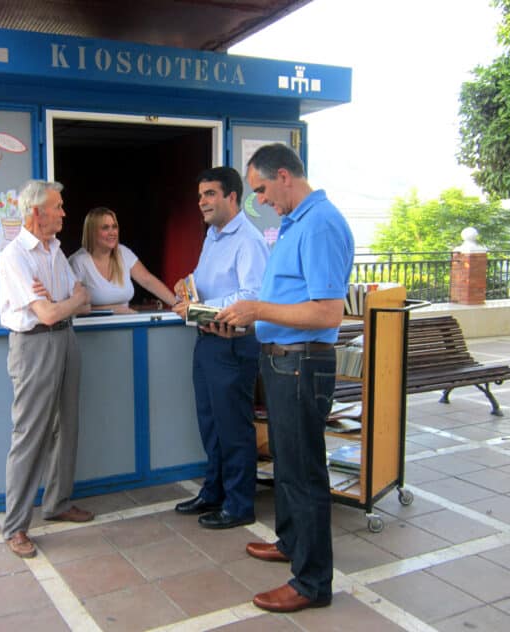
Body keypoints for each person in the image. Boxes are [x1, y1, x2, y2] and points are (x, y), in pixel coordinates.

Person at [215, 143, 354, 613]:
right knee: (288, 467)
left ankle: (312, 582)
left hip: (301, 362)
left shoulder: (321, 223)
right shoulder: (295, 222)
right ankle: (292, 543)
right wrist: (248, 318)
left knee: (303, 472)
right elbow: (290, 298)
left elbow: (325, 311)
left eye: (261, 190)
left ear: (283, 175)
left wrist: (256, 309)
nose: (260, 201)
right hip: (281, 359)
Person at [0, 179, 95, 559]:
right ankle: (15, 527)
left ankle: (57, 503)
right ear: (36, 212)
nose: (63, 213)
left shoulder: (55, 250)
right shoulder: (14, 256)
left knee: (66, 425)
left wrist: (63, 302)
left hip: (65, 339)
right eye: (57, 206)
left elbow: (82, 300)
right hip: (34, 344)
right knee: (30, 435)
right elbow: (52, 310)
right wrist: (63, 302)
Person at [171, 166, 270, 529]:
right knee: (210, 423)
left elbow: (252, 296)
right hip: (207, 340)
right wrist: (188, 288)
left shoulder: (249, 239)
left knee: (233, 427)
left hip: (233, 345)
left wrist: (199, 309)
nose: (202, 203)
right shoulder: (212, 236)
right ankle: (213, 492)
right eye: (200, 196)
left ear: (232, 197)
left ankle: (240, 505)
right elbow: (208, 282)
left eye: (210, 194)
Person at [69, 207, 177, 313]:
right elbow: (71, 309)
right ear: (92, 232)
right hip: (92, 329)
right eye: (105, 228)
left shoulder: (123, 252)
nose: (112, 232)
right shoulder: (78, 261)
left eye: (114, 227)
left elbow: (148, 280)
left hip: (126, 324)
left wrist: (178, 305)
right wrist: (112, 310)